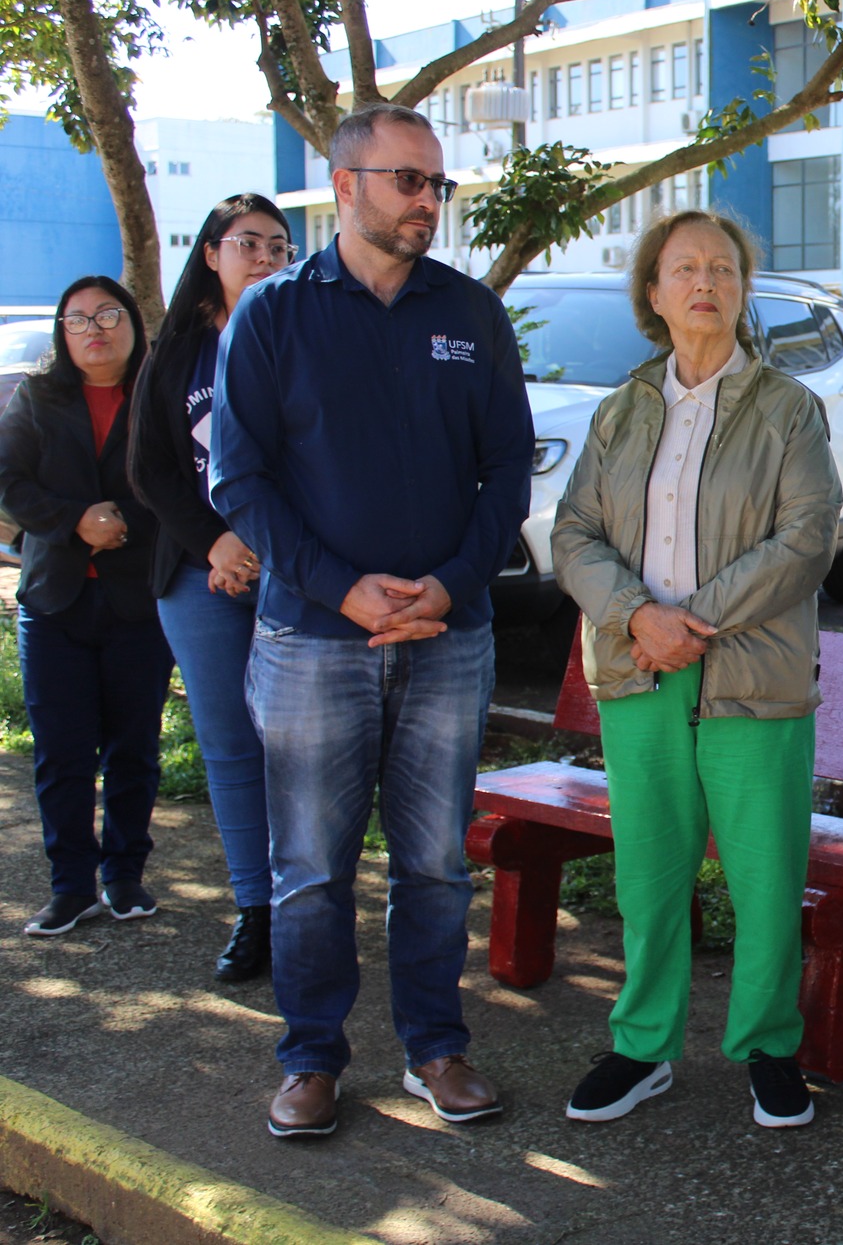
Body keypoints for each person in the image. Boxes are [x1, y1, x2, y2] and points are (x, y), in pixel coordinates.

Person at [211, 104, 533, 1139]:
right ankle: (310, 1058)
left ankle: (435, 1048)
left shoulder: (471, 313)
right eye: (408, 180)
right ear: (345, 186)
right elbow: (240, 478)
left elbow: (507, 471)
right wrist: (339, 588)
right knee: (310, 869)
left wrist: (451, 584)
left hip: (447, 636)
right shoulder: (273, 314)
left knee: (434, 862)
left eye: (438, 184)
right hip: (312, 640)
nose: (428, 201)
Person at [551, 209, 840, 1128]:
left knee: (764, 876)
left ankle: (769, 1046)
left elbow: (808, 537)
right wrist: (639, 616)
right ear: (654, 292)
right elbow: (573, 534)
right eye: (684, 268)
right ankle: (643, 1046)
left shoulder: (788, 407)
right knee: (648, 874)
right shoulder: (621, 409)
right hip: (639, 669)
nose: (705, 282)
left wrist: (692, 620)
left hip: (751, 674)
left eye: (722, 267)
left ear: (743, 290)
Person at [128, 194, 293, 983]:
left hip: (295, 573)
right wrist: (217, 542)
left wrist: (265, 543)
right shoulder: (176, 352)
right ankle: (256, 909)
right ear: (212, 254)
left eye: (279, 246)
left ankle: (305, 905)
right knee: (231, 747)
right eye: (248, 243)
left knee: (301, 745)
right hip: (200, 575)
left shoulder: (306, 338)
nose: (265, 258)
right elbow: (150, 468)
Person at [0, 277, 174, 937]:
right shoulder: (36, 397)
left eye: (107, 314)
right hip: (55, 601)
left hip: (138, 599)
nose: (94, 329)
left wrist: (120, 523)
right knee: (62, 752)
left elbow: (185, 486)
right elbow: (8, 480)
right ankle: (70, 886)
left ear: (132, 322)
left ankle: (124, 875)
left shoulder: (159, 396)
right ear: (62, 332)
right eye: (78, 319)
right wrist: (75, 520)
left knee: (134, 747)